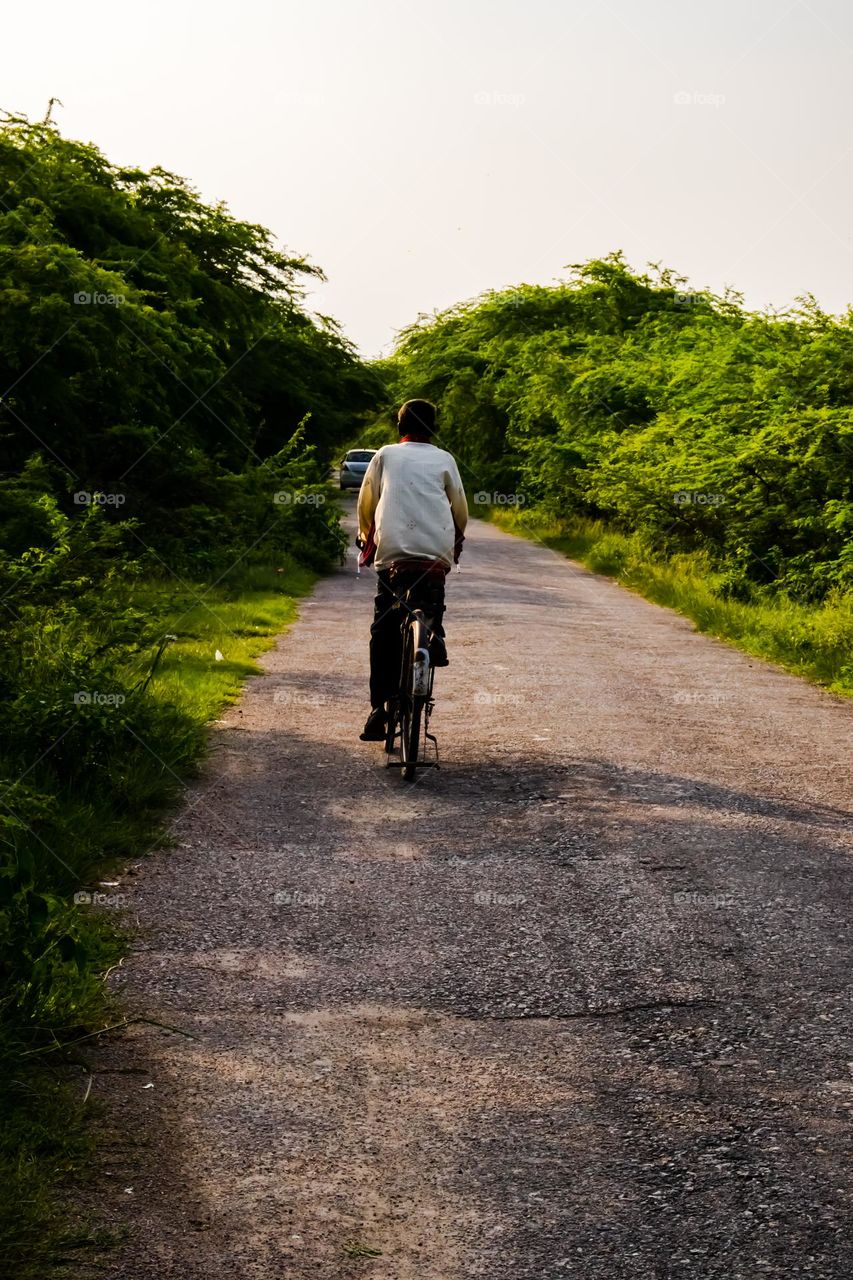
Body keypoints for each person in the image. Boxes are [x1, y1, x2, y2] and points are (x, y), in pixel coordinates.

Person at [356, 399, 468, 742]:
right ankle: (434, 631)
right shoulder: (444, 459)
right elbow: (460, 507)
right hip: (435, 554)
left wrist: (366, 535)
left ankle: (379, 710)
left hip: (393, 554)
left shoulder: (385, 455)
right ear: (434, 428)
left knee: (384, 628)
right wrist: (457, 538)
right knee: (431, 599)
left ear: (399, 426)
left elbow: (366, 501)